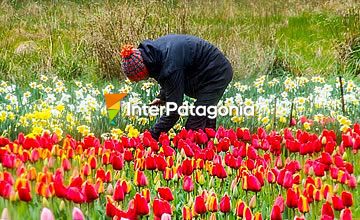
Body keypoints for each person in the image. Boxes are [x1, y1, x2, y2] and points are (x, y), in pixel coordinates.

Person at [120, 34, 233, 140]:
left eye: (139, 78)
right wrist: (162, 96)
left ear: (142, 70)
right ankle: (210, 152)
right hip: (200, 73)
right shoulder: (153, 54)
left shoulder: (170, 65)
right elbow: (166, 76)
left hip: (216, 74)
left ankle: (202, 155)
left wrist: (151, 136)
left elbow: (173, 111)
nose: (139, 81)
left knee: (194, 127)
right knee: (204, 119)